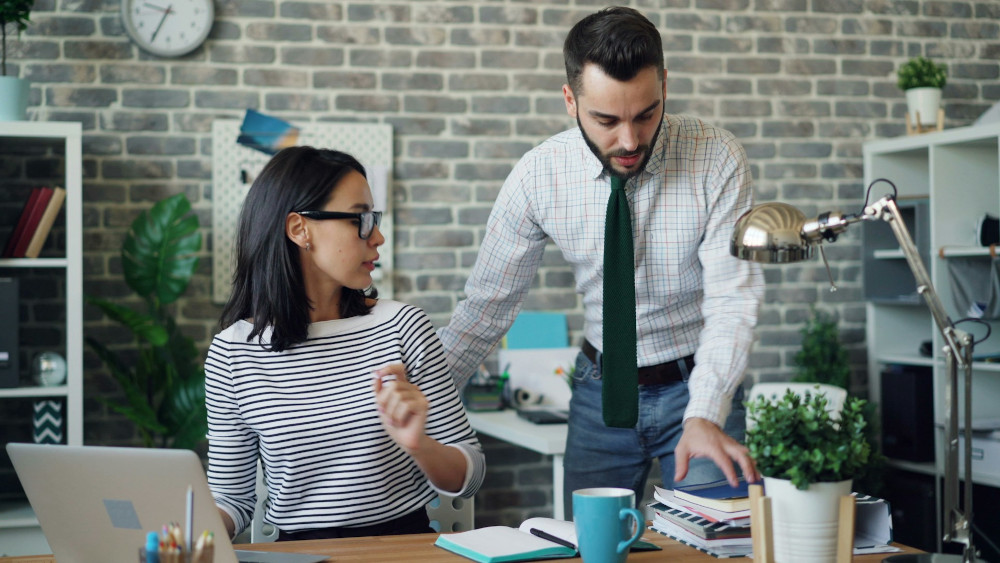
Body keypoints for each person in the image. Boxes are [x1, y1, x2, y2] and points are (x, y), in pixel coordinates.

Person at [438, 6, 764, 510]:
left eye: (646, 114)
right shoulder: (538, 176)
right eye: (606, 120)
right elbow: (485, 310)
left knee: (719, 541)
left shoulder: (716, 156)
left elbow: (732, 299)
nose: (630, 140)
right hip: (599, 390)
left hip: (698, 385)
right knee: (591, 549)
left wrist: (705, 412)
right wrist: (425, 401)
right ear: (571, 100)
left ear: (664, 85)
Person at [205, 146, 485, 541]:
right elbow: (231, 499)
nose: (378, 236)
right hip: (299, 555)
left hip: (401, 550)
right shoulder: (232, 353)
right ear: (300, 229)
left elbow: (469, 474)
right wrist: (188, 532)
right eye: (362, 220)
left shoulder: (402, 327)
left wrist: (420, 445)